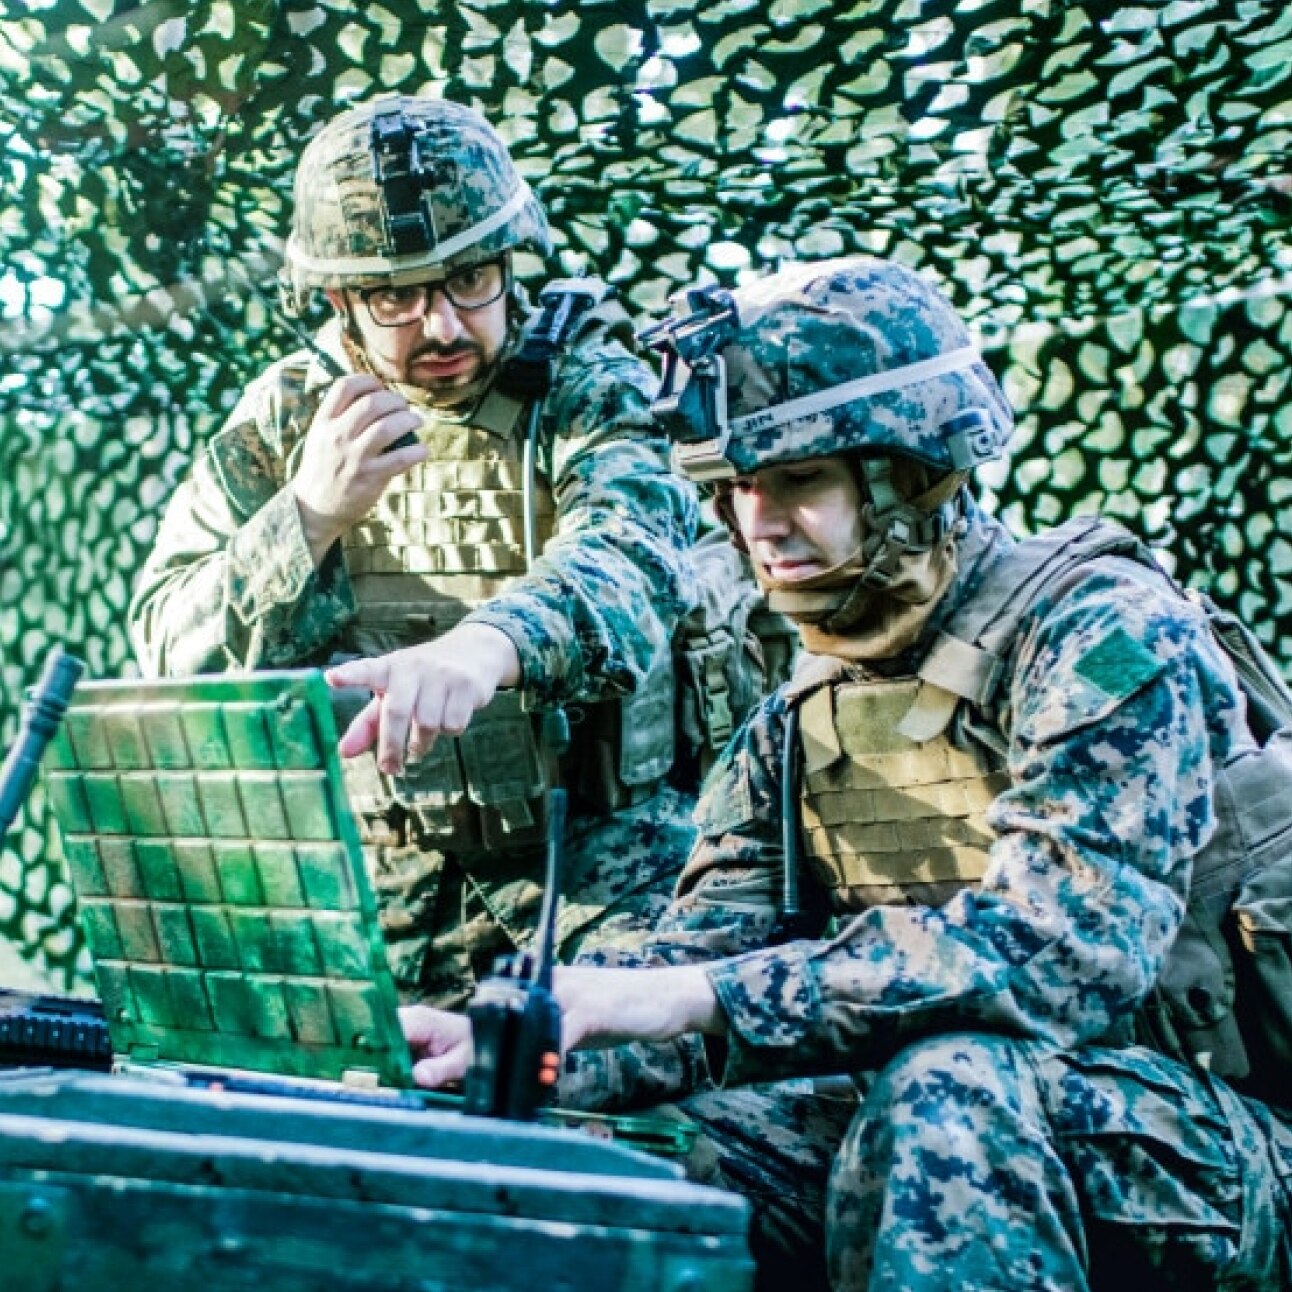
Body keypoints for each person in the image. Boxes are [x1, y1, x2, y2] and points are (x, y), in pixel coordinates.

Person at [400, 256, 1292, 1290]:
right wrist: (503, 1049)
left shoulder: (1101, 633)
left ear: (909, 469)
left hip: (1221, 1146)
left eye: (796, 481)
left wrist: (692, 995)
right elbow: (689, 977)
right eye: (734, 489)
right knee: (647, 1155)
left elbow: (1059, 954)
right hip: (957, 1121)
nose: (756, 524)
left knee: (945, 1091)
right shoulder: (800, 711)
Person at [129, 93, 714, 1010]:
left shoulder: (589, 382)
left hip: (607, 874)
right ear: (337, 301)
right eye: (395, 295)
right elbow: (169, 646)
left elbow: (633, 556)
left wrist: (483, 649)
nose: (440, 325)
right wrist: (309, 514)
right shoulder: (292, 416)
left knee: (617, 1112)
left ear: (511, 261)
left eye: (470, 279)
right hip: (382, 889)